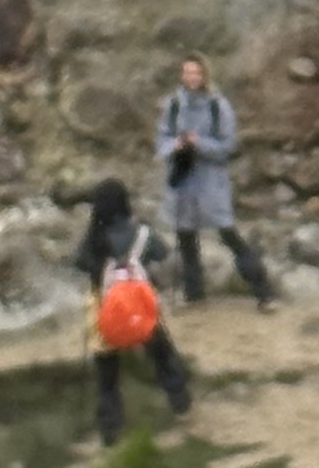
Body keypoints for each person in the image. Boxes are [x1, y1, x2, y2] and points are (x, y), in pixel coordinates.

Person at [77, 183, 191, 448]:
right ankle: (181, 404)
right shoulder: (142, 234)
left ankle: (110, 432)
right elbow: (163, 254)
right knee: (163, 357)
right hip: (140, 309)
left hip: (105, 313)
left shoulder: (92, 240)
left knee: (107, 378)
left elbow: (80, 264)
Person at [157, 57, 273, 308]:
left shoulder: (218, 106)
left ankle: (263, 291)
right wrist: (176, 145)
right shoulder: (173, 105)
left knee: (228, 234)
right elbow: (162, 141)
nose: (191, 77)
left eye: (196, 72)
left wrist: (199, 143)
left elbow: (228, 146)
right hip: (183, 180)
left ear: (205, 75)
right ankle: (194, 295)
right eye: (187, 72)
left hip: (211, 182)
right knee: (186, 239)